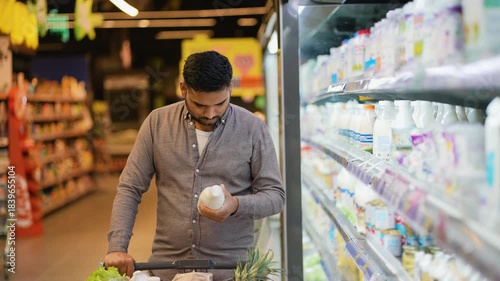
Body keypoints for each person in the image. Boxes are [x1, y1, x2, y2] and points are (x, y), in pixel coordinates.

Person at [104, 50, 285, 281]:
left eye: (220, 104)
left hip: (232, 271)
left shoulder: (252, 129)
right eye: (199, 105)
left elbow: (275, 196)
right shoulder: (157, 124)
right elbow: (130, 188)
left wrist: (236, 205)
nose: (210, 114)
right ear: (183, 89)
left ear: (231, 86)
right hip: (167, 268)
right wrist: (118, 247)